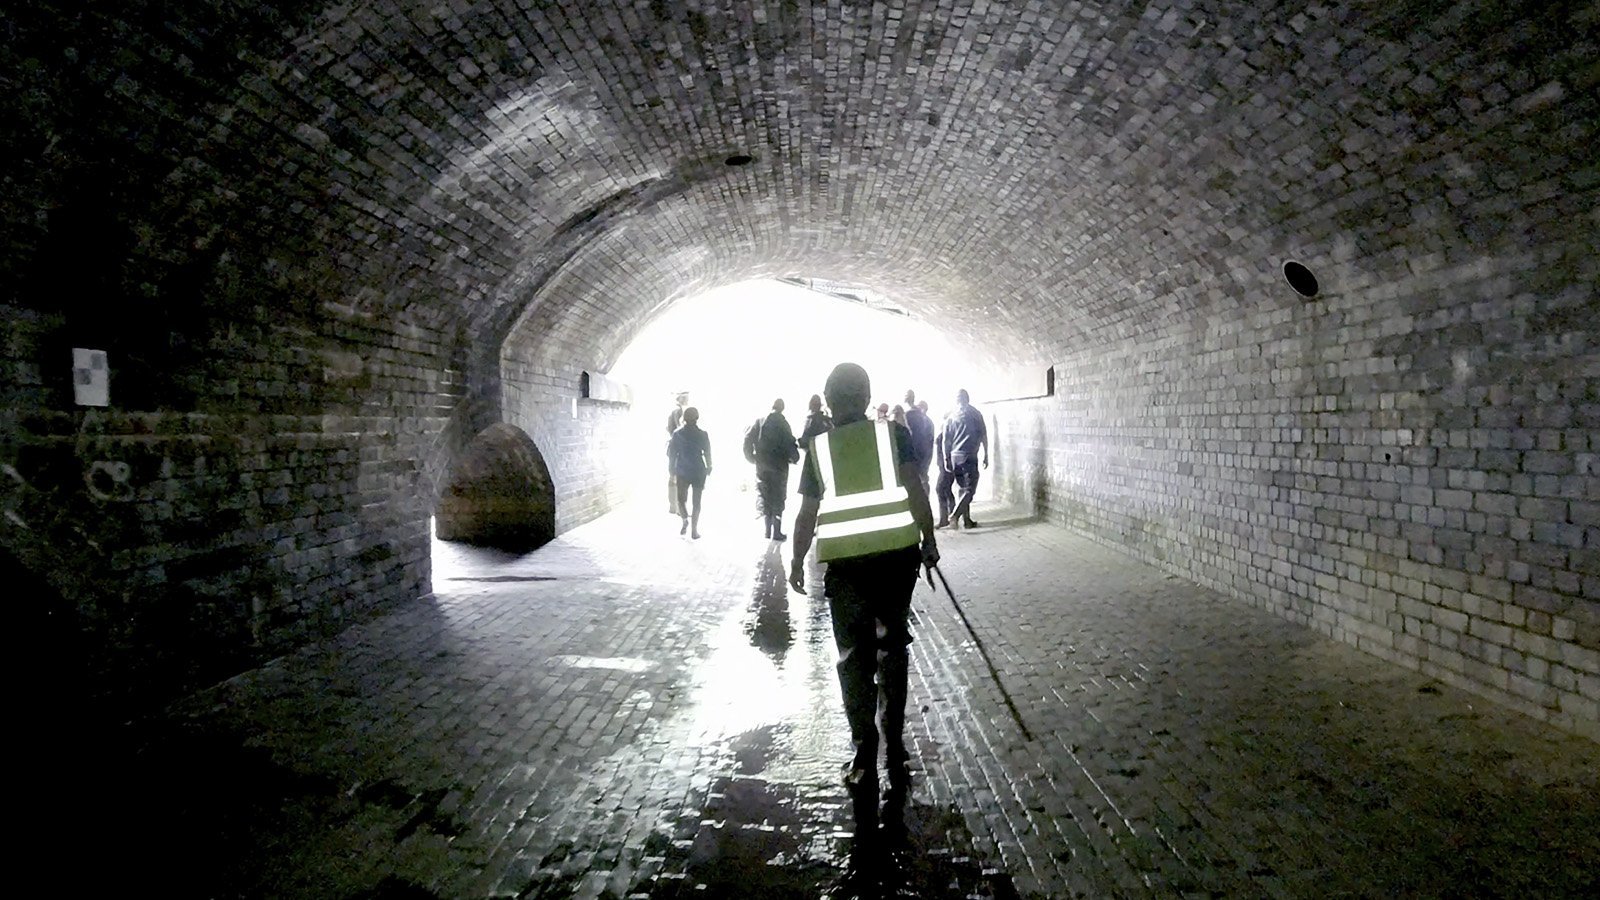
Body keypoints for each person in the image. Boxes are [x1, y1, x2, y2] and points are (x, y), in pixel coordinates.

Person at [789, 362, 940, 828]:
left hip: (848, 572)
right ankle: (894, 743)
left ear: (830, 401)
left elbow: (807, 513)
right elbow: (916, 486)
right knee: (893, 648)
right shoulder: (894, 435)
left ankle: (862, 753)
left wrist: (795, 561)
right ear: (868, 395)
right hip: (897, 562)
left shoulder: (819, 448)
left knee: (854, 659)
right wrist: (929, 539)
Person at [754, 398, 800, 541]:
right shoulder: (783, 423)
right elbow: (790, 443)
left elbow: (747, 440)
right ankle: (777, 532)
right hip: (779, 467)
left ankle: (767, 531)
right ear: (782, 409)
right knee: (778, 498)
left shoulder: (760, 422)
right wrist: (795, 458)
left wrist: (752, 458)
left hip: (762, 466)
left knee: (765, 495)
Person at [941, 389, 988, 529]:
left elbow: (945, 440)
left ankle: (967, 521)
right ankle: (955, 515)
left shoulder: (951, 416)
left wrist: (946, 458)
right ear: (968, 398)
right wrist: (986, 454)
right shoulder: (975, 414)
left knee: (961, 488)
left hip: (955, 456)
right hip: (969, 455)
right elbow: (984, 435)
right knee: (970, 489)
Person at [668, 407, 712, 539]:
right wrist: (709, 466)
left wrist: (671, 471)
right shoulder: (703, 434)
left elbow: (672, 455)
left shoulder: (677, 434)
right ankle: (694, 531)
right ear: (696, 418)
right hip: (698, 471)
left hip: (682, 470)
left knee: (681, 500)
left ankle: (685, 520)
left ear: (684, 418)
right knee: (696, 502)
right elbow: (708, 453)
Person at [903, 392, 936, 497]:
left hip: (913, 453)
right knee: (923, 479)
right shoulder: (925, 419)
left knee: (915, 482)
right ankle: (926, 502)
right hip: (924, 453)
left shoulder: (907, 416)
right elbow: (930, 440)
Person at [666, 392, 689, 515]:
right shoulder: (678, 412)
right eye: (685, 398)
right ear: (680, 399)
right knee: (678, 477)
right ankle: (678, 507)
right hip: (678, 447)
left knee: (673, 476)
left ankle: (673, 506)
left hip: (674, 447)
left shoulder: (676, 411)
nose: (687, 400)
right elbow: (678, 429)